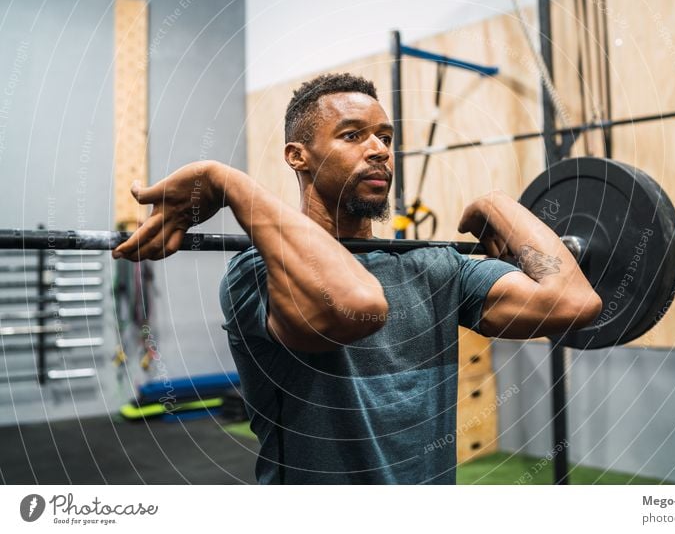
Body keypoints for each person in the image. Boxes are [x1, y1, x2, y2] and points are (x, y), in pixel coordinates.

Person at [112, 73, 601, 484]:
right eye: (352, 136)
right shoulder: (257, 274)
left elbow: (574, 304)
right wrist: (227, 181)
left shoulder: (433, 266)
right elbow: (355, 307)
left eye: (385, 137)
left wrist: (500, 205)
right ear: (297, 156)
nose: (380, 151)